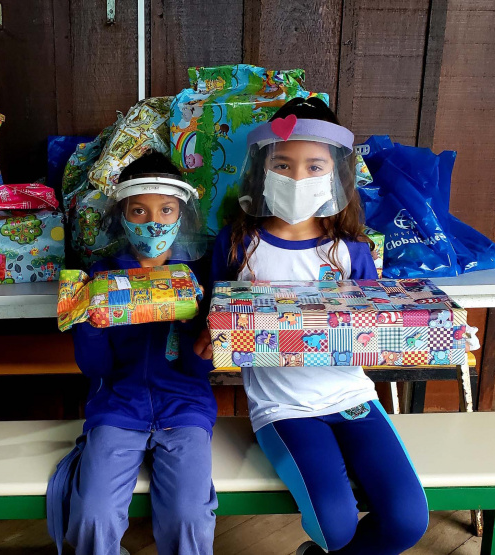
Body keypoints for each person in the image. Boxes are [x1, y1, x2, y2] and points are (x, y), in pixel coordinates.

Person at [200, 97, 429, 555]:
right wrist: (210, 337)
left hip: (353, 398)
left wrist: (432, 333)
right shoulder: (237, 244)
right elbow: (212, 323)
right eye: (283, 164)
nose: (297, 178)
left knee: (407, 521)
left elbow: (377, 326)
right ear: (262, 170)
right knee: (334, 528)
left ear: (336, 174)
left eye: (313, 166)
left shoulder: (351, 251)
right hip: (283, 409)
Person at [47, 152, 217, 555]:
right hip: (117, 407)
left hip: (185, 408)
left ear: (182, 215)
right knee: (92, 512)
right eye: (138, 211)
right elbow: (96, 368)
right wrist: (89, 321)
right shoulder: (102, 277)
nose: (153, 222)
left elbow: (196, 370)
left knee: (189, 515)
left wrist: (202, 334)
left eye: (166, 209)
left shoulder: (196, 277)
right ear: (121, 215)